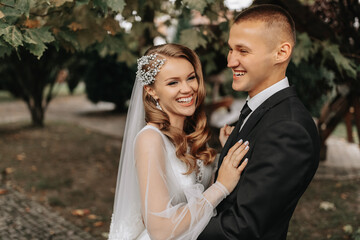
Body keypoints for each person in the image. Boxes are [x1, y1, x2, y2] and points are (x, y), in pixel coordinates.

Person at [198, 4, 320, 240]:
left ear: (281, 53)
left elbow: (243, 228)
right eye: (231, 49)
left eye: (243, 51)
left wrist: (174, 230)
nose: (231, 61)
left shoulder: (288, 129)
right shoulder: (261, 108)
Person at [108, 43, 249, 240]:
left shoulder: (192, 135)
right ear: (152, 91)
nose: (187, 89)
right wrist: (221, 187)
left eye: (191, 78)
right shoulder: (150, 139)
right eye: (173, 83)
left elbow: (200, 195)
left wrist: (223, 155)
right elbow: (161, 231)